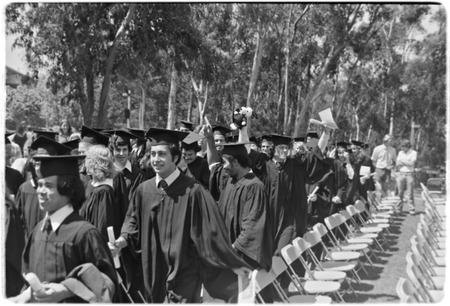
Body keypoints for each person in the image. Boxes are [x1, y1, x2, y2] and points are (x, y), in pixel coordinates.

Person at [109, 128, 251, 303]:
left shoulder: (193, 191)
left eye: (162, 154)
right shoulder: (144, 190)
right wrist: (121, 242)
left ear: (175, 158)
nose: (155, 160)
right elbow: (132, 223)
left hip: (184, 272)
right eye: (153, 154)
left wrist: (232, 263)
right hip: (153, 270)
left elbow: (212, 233)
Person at [9, 155, 118, 303]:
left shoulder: (85, 234)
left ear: (68, 189)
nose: (40, 191)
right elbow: (29, 278)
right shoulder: (38, 232)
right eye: (39, 185)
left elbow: (106, 283)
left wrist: (67, 289)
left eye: (48, 186)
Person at [15, 136, 72, 239]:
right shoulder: (24, 188)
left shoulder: (62, 187)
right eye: (37, 161)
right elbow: (19, 222)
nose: (40, 165)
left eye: (45, 161)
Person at [395, 139, 417, 215]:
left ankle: (411, 209)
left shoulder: (414, 153)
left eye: (403, 147)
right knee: (400, 193)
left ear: (407, 147)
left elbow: (411, 163)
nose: (402, 149)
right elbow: (397, 164)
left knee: (410, 193)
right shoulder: (400, 153)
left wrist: (403, 162)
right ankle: (398, 209)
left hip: (410, 174)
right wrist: (406, 163)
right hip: (401, 174)